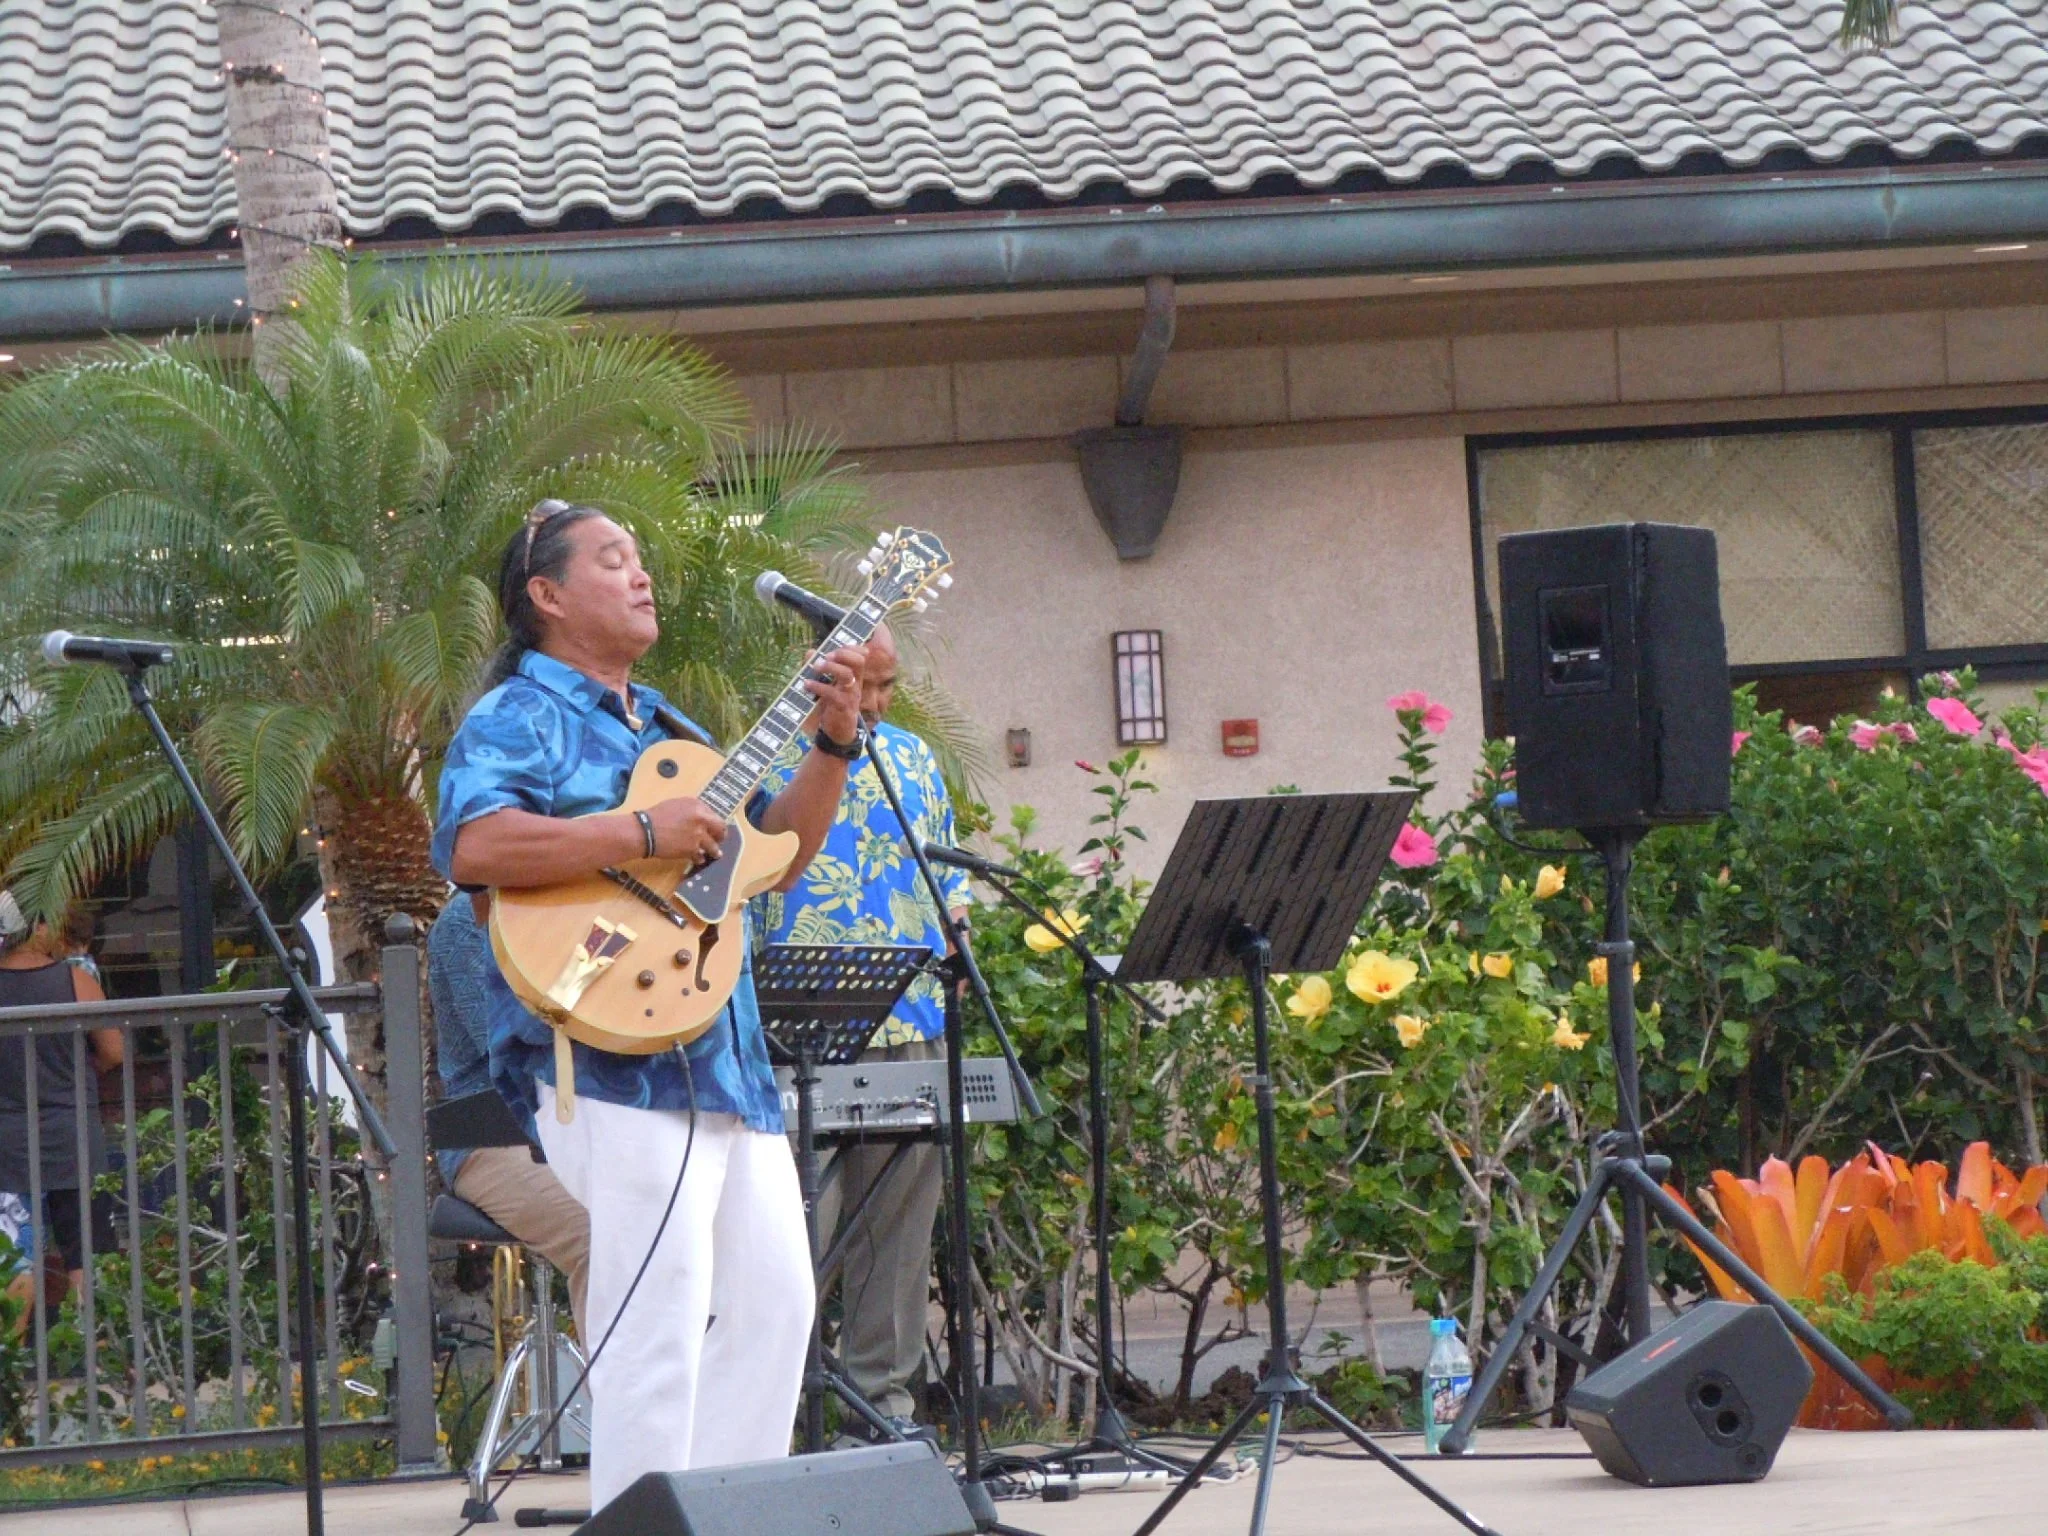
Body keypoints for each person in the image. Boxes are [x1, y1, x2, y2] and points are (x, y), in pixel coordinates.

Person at [430, 499, 866, 1511]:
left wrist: (831, 749)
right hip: (605, 1049)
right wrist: (639, 831)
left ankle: (721, 1515)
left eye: (642, 558)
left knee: (772, 1308)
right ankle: (637, 1521)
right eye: (614, 559)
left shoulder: (672, 727)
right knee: (655, 1314)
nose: (642, 574)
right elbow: (473, 848)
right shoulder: (515, 716)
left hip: (723, 1051)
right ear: (545, 595)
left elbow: (777, 856)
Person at [754, 623, 969, 1441]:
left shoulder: (912, 755)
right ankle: (780, 1417)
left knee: (900, 1236)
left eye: (888, 684)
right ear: (818, 663)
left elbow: (947, 878)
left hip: (910, 1015)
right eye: (864, 682)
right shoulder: (769, 750)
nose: (877, 702)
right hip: (798, 1027)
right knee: (789, 1235)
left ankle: (883, 1411)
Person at [429, 892, 591, 1339]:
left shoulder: (587, 906)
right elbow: (510, 1045)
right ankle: (627, 1402)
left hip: (582, 1126)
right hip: (495, 1138)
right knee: (604, 1233)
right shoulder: (466, 921)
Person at [0, 891, 124, 1303]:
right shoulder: (77, 982)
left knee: (14, 1259)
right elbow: (113, 1051)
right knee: (87, 1255)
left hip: (8, 1142)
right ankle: (98, 1354)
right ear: (38, 928)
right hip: (74, 1138)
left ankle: (12, 1362)